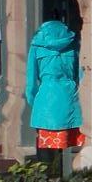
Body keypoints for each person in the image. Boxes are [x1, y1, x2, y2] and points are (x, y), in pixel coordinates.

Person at [25, 17, 85, 174]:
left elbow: (31, 81)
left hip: (45, 101)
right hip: (70, 98)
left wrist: (34, 102)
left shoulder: (37, 46)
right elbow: (80, 75)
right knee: (70, 149)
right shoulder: (72, 43)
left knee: (46, 154)